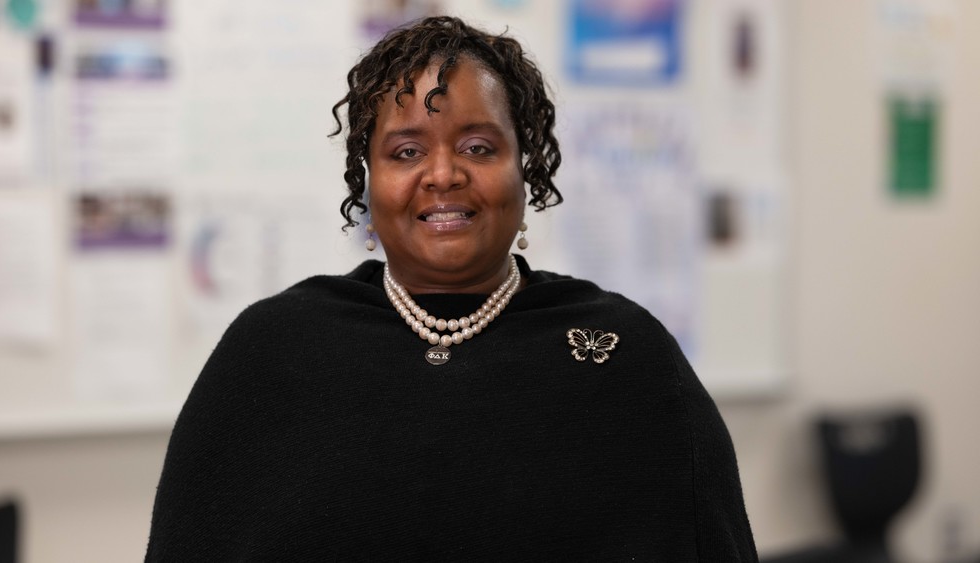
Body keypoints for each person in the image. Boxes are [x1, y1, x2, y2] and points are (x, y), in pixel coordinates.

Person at [146, 16, 758, 561]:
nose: (443, 175)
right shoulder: (271, 351)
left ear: (526, 169)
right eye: (406, 150)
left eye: (478, 147)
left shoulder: (625, 354)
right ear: (370, 182)